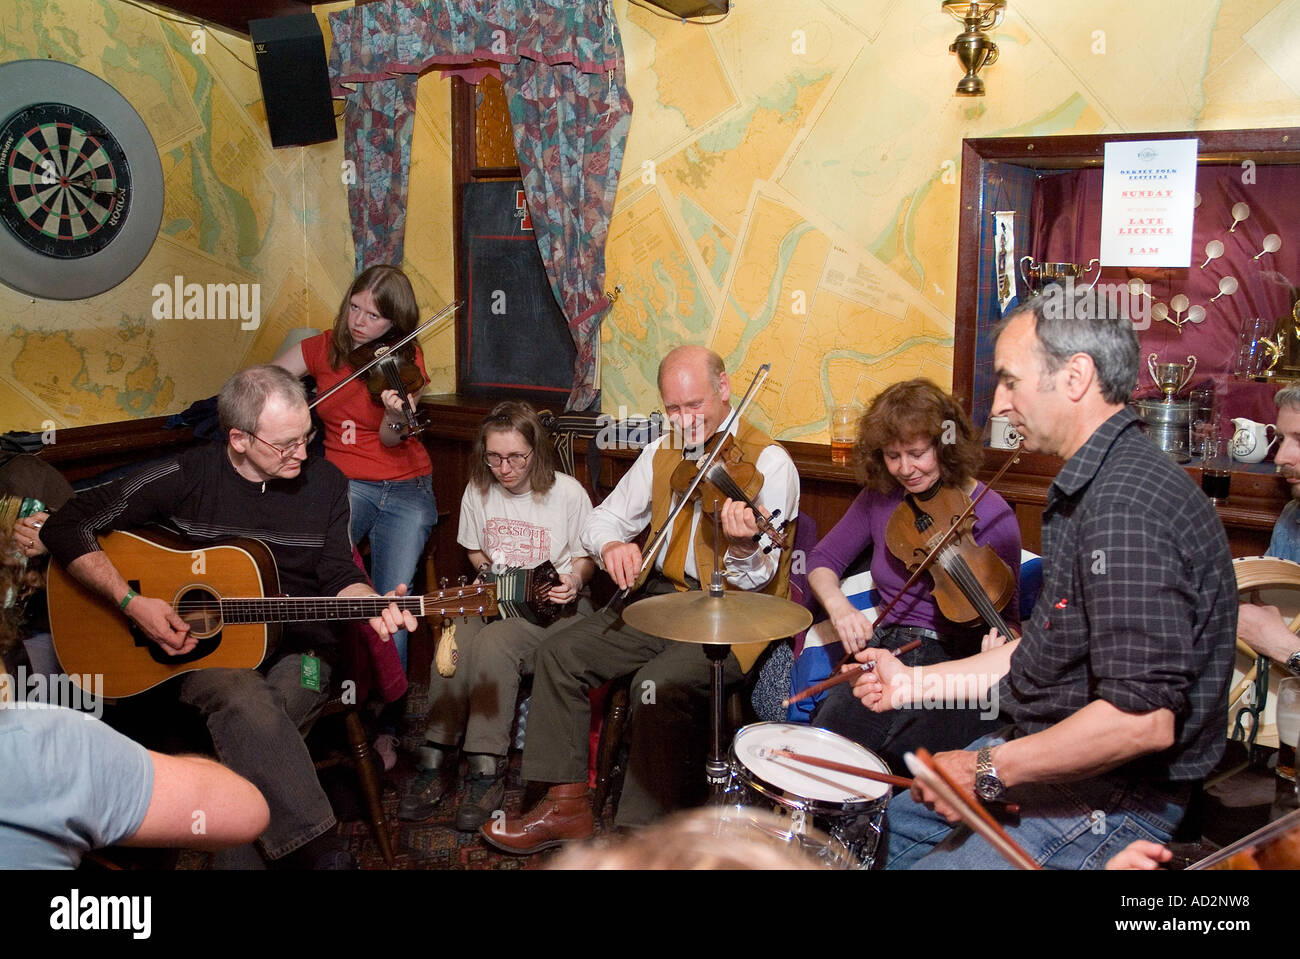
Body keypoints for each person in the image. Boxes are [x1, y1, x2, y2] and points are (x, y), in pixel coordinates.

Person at [852, 292, 1237, 869]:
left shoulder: (1125, 506)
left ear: (1075, 376)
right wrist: (910, 682)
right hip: (1056, 755)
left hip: (1115, 793)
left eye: (1010, 381)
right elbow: (1044, 653)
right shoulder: (1099, 484)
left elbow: (1141, 723)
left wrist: (983, 770)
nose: (1000, 404)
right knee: (869, 830)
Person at [41, 365, 417, 869]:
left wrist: (367, 601)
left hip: (304, 652)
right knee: (248, 707)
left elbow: (335, 573)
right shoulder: (187, 476)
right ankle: (322, 855)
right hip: (206, 656)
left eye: (307, 437)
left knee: (262, 727)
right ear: (238, 439)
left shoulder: (325, 482)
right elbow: (67, 525)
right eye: (286, 445)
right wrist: (131, 603)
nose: (303, 454)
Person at [482, 345, 800, 854]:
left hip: (735, 614)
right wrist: (610, 545)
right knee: (559, 653)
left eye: (694, 405)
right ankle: (566, 807)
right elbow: (601, 519)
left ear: (724, 388)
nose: (685, 421)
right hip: (660, 600)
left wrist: (740, 544)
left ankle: (646, 837)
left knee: (659, 684)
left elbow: (760, 576)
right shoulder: (663, 451)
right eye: (672, 409)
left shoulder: (770, 464)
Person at [806, 379, 1021, 772]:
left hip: (956, 660)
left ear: (945, 445)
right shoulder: (881, 497)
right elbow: (821, 560)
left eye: (918, 453)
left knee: (908, 756)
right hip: (889, 648)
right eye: (893, 456)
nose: (905, 469)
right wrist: (839, 608)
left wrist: (999, 648)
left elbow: (1010, 623)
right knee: (833, 744)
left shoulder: (992, 514)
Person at [400, 401, 595, 830]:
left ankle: (486, 767)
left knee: (496, 642)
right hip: (496, 597)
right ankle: (437, 756)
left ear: (535, 452)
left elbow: (586, 558)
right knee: (456, 638)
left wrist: (575, 580)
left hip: (556, 611)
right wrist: (490, 572)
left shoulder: (567, 493)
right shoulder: (478, 489)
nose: (503, 468)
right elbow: (473, 549)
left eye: (515, 457)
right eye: (494, 457)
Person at [274, 264, 437, 679]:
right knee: (320, 572)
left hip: (406, 486)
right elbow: (265, 382)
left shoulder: (404, 359)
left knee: (391, 598)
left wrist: (395, 413)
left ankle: (388, 714)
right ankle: (320, 680)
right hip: (343, 485)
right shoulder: (322, 348)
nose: (361, 322)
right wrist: (292, 412)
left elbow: (390, 439)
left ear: (395, 322)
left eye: (375, 315)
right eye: (355, 307)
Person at [1236, 384, 1300, 672]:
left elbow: (1275, 641)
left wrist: (1283, 647)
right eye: (1283, 439)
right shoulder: (1292, 520)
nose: (1281, 458)